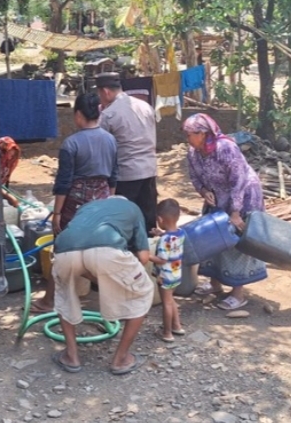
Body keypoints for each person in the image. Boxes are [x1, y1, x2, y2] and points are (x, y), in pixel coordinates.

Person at [31, 92, 118, 314]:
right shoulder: (110, 140)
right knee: (96, 252)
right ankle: (113, 297)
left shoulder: (71, 144)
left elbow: (63, 183)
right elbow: (113, 177)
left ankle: (50, 300)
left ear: (78, 114)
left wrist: (57, 214)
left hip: (75, 207)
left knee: (62, 252)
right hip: (102, 203)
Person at [50, 196, 153, 375]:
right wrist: (117, 277)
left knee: (65, 295)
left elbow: (82, 253)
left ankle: (71, 356)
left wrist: (98, 275)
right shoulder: (132, 207)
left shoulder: (88, 207)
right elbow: (143, 258)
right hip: (107, 249)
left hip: (64, 249)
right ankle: (121, 359)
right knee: (143, 292)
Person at [183, 113, 266, 310]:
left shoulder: (225, 148)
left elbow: (239, 180)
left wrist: (236, 212)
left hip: (243, 196)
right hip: (217, 197)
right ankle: (215, 284)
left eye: (190, 134)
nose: (187, 138)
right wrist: (203, 191)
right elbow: (194, 177)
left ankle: (238, 293)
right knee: (212, 237)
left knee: (235, 241)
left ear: (203, 134)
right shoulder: (193, 153)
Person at [96, 72, 159, 234]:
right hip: (149, 169)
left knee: (125, 221)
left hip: (126, 174)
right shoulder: (145, 106)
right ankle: (150, 253)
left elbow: (103, 149)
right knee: (148, 219)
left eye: (99, 94)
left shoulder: (109, 115)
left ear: (106, 92)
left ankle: (127, 255)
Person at [150, 198, 185, 342]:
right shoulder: (180, 233)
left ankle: (167, 332)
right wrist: (161, 234)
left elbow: (162, 259)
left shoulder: (165, 240)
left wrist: (148, 256)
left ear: (160, 219)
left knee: (166, 303)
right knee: (171, 300)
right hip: (176, 274)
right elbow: (172, 244)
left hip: (165, 276)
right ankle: (176, 326)